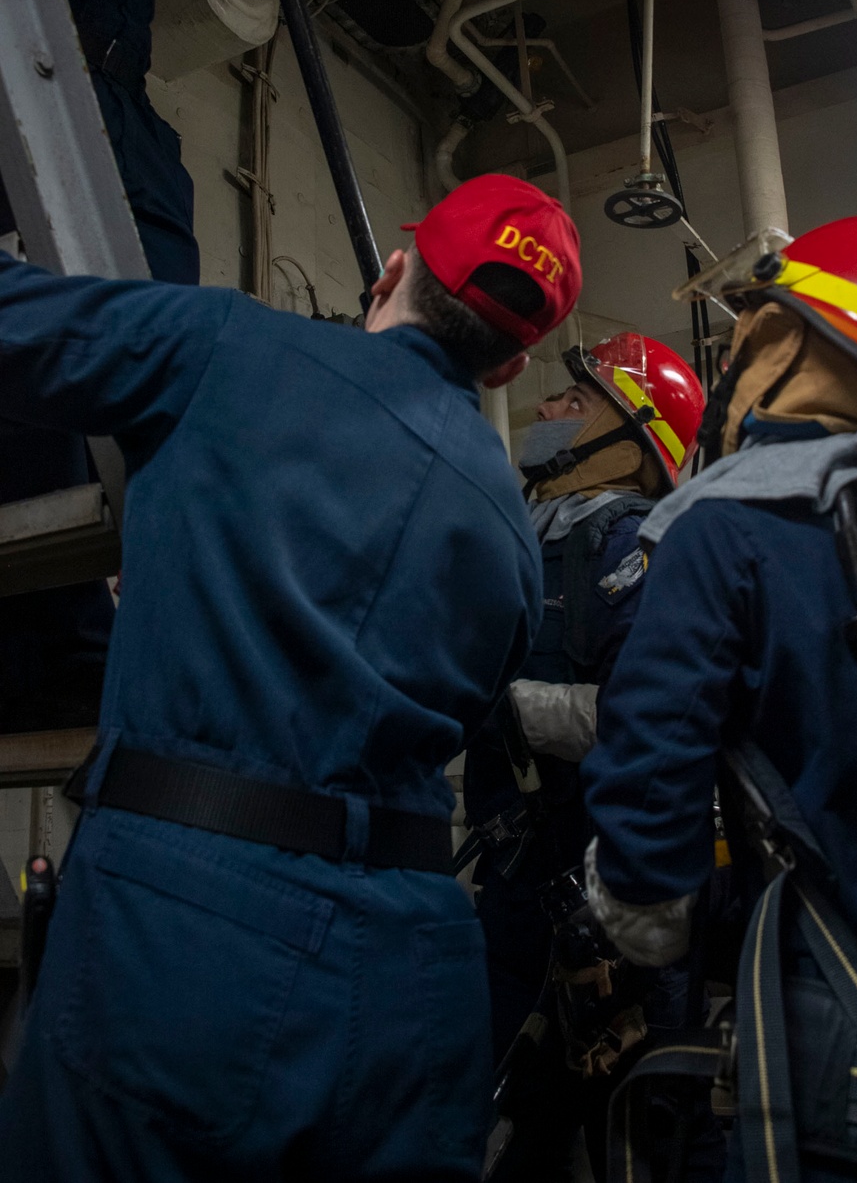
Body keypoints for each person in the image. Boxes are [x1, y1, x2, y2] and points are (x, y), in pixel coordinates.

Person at [0, 173, 581, 1183]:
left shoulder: (232, 347)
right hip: (416, 971)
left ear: (390, 273)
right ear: (511, 365)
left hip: (181, 937)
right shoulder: (514, 539)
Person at [581, 216, 857, 1181]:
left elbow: (650, 792)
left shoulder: (729, 525)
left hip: (845, 1057)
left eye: (750, 326)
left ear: (794, 338)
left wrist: (637, 920)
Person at [0, 0, 215, 730]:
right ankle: (59, 640)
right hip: (47, 149)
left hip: (121, 157)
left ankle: (86, 631)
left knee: (132, 393)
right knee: (45, 402)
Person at [462, 332, 710, 1181]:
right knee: (509, 1130)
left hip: (603, 909)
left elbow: (656, 721)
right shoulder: (524, 538)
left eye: (574, 402)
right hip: (512, 889)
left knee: (624, 1134)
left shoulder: (633, 547)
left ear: (628, 440)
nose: (546, 410)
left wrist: (512, 711)